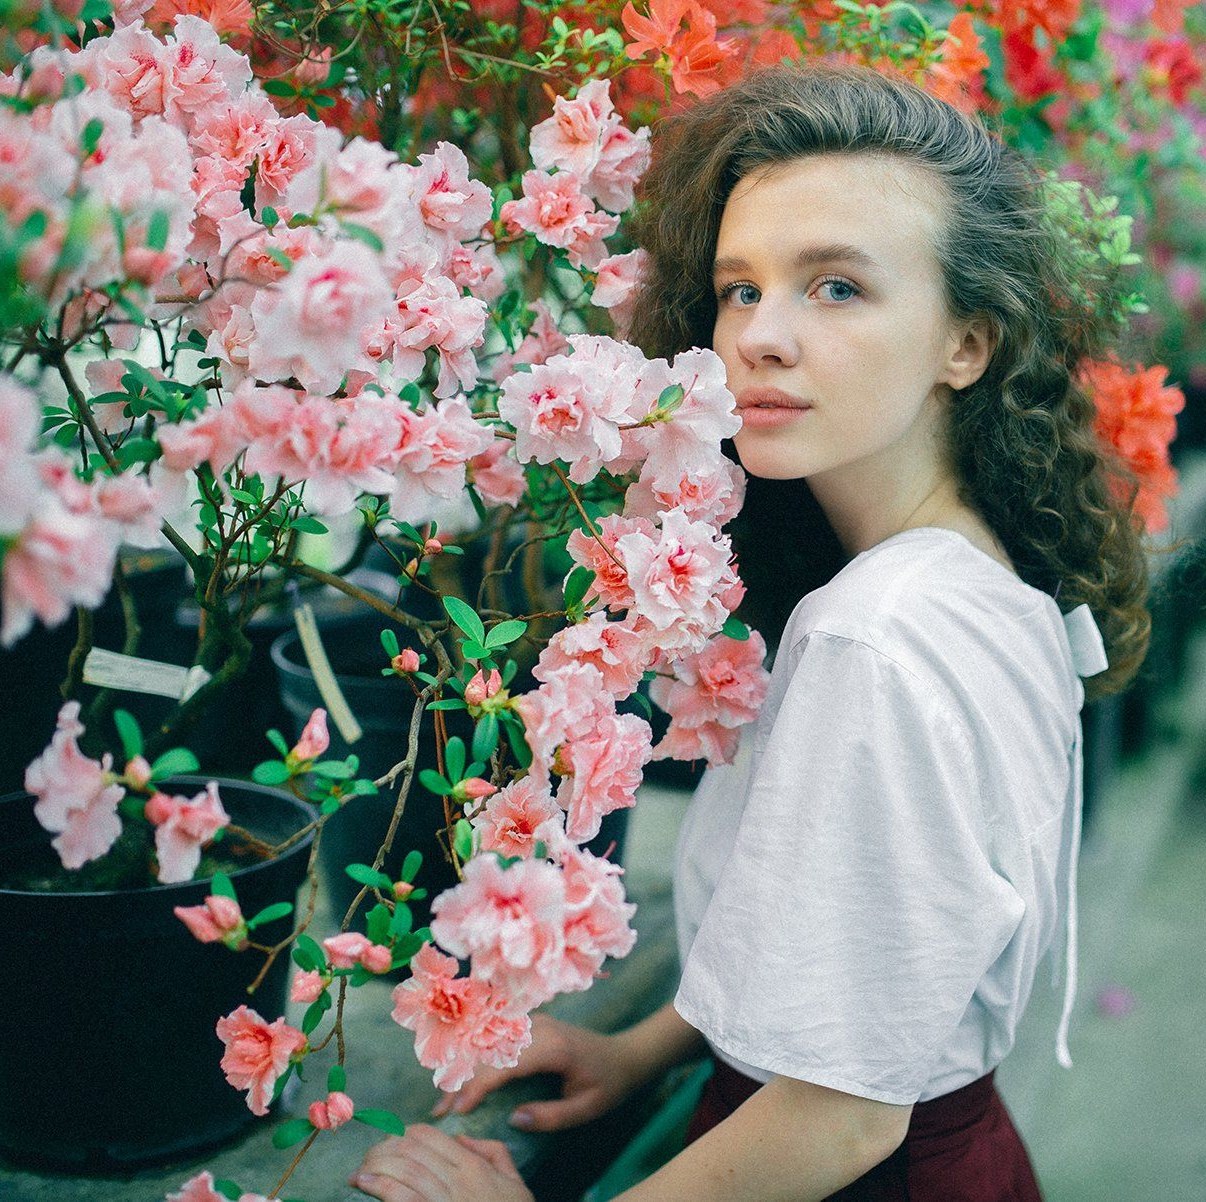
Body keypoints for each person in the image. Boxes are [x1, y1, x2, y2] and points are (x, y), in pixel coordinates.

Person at [352, 61, 1151, 1202]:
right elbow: (857, 940)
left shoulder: (875, 637)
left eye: (837, 287)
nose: (762, 336)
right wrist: (642, 1053)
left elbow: (842, 1117)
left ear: (967, 343)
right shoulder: (967, 575)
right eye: (740, 289)